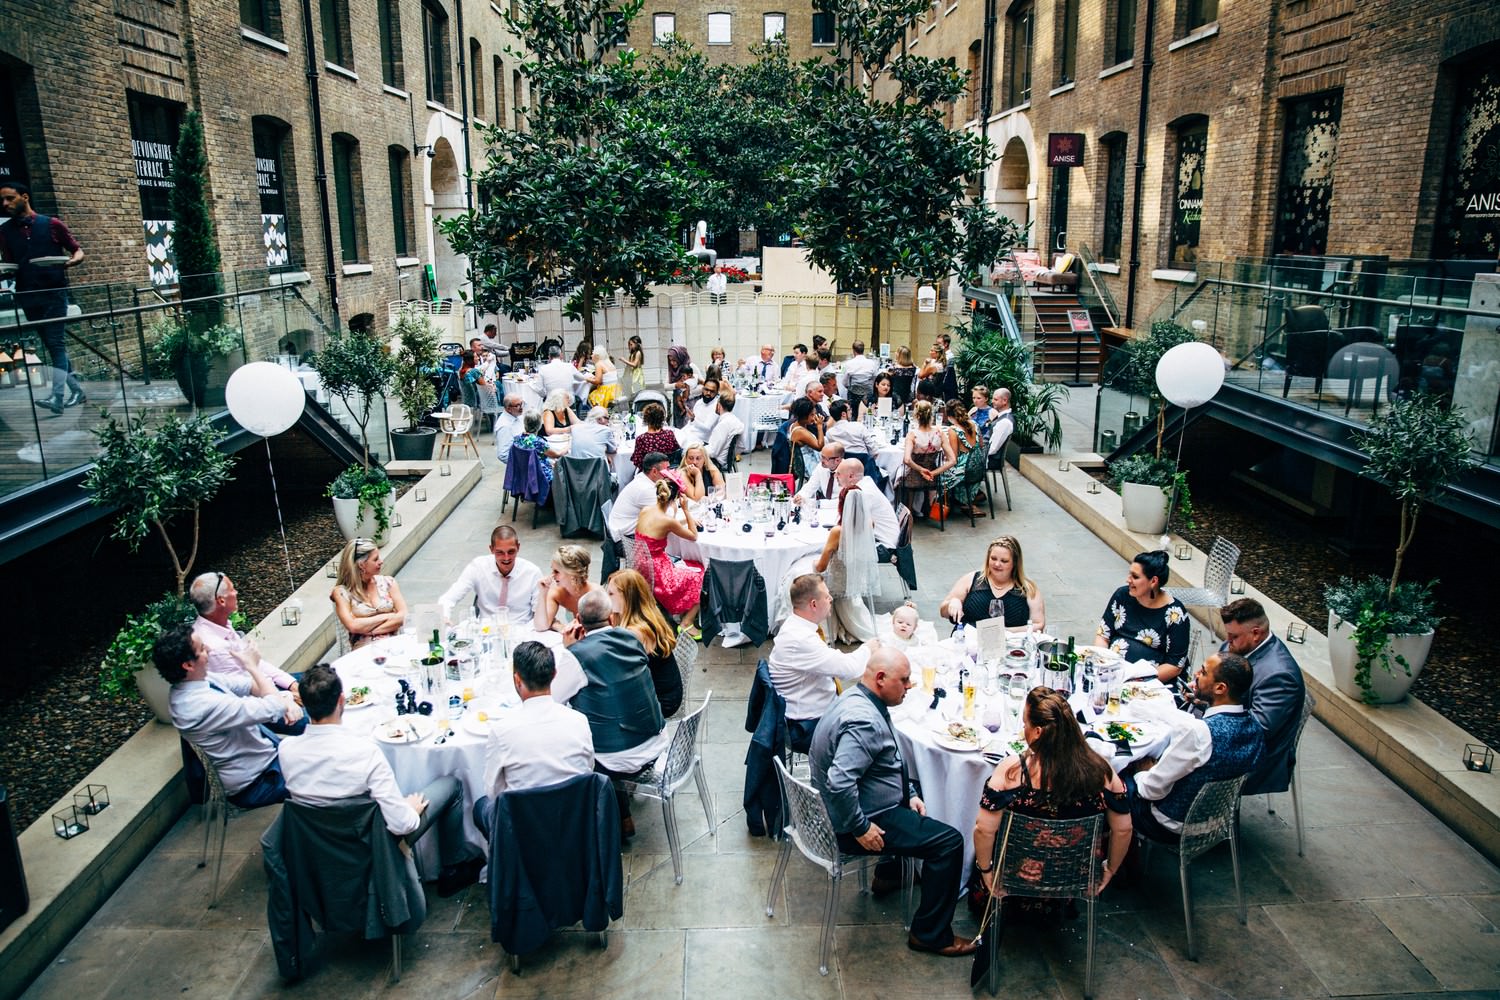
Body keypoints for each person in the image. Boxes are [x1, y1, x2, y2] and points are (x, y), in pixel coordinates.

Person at [810, 648, 975, 957]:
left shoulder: (856, 697)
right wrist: (861, 828)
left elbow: (885, 762)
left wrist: (909, 793)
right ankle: (931, 935)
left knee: (924, 796)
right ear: (881, 679)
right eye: (905, 680)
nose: (910, 686)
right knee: (950, 842)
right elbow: (840, 782)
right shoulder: (864, 721)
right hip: (855, 822)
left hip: (864, 804)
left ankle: (889, 874)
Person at [279, 664, 482, 896]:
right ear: (342, 700)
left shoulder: (286, 750)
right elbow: (402, 824)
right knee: (451, 785)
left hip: (316, 845)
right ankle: (454, 869)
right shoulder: (364, 752)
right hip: (369, 843)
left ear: (303, 703)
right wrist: (410, 809)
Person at [970, 688, 1132, 922]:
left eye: (1024, 722)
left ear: (1036, 732)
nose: (1022, 729)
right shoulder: (1102, 772)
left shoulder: (1012, 771)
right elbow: (1124, 829)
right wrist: (1111, 869)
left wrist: (986, 872)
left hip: (1012, 877)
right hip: (1072, 877)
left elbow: (984, 830)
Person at [155, 623, 301, 808]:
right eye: (201, 649)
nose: (208, 648)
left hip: (268, 760)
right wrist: (253, 666)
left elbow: (249, 686)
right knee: (330, 766)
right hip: (259, 782)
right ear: (188, 665)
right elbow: (272, 708)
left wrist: (283, 699)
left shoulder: (199, 681)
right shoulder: (200, 705)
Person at [1128, 652, 1265, 843]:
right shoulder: (1256, 729)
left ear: (1220, 688)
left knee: (1114, 779)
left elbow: (1151, 790)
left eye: (1203, 672)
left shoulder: (1200, 733)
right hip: (1217, 821)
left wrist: (1142, 771)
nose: (1196, 675)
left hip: (1170, 824)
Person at [565, 590, 668, 839]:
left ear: (578, 619)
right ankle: (623, 817)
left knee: (570, 741)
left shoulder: (576, 656)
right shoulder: (631, 638)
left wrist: (568, 650)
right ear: (611, 618)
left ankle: (586, 824)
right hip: (657, 739)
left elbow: (554, 699)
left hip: (616, 757)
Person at [0, 181, 85, 413]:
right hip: (28, 295)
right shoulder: (4, 232)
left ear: (25, 197)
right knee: (50, 344)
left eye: (10, 198)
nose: (5, 204)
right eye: (3, 200)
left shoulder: (52, 224)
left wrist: (73, 260)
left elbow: (77, 250)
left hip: (54, 293)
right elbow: (10, 264)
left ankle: (57, 398)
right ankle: (77, 391)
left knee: (56, 344)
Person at [768, 574, 874, 749]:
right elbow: (850, 669)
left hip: (809, 711)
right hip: (805, 726)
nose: (831, 598)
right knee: (868, 735)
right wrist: (869, 648)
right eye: (826, 596)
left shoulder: (797, 626)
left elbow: (830, 660)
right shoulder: (801, 639)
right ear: (814, 604)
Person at [480, 641, 595, 799]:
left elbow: (493, 793)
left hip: (522, 820)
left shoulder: (501, 731)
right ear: (554, 674)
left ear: (517, 680)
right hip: (573, 813)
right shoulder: (579, 721)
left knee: (480, 806)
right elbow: (588, 769)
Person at [1219, 598, 1307, 796]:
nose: (1227, 642)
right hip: (1229, 729)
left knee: (1183, 758)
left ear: (1256, 633)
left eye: (1233, 636)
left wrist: (1209, 725)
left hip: (1258, 758)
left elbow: (1257, 730)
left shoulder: (1280, 675)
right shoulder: (1238, 646)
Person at [189, 571, 298, 695]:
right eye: (232, 590)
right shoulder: (214, 647)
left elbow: (257, 664)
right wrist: (290, 696)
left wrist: (291, 684)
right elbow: (244, 692)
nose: (236, 592)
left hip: (267, 686)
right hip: (264, 700)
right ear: (221, 601)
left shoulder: (221, 625)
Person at [1097, 550, 1191, 684]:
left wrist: (1135, 679)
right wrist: (1102, 664)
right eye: (1129, 574)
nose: (1128, 580)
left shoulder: (1175, 614)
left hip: (1150, 683)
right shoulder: (1122, 595)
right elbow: (1103, 635)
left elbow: (1174, 666)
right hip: (1111, 673)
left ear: (1153, 581)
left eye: (1135, 577)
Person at [633, 475, 704, 639]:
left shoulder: (646, 510)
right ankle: (687, 622)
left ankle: (683, 612)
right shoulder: (667, 521)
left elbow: (664, 523)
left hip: (639, 563)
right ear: (675, 500)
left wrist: (683, 519)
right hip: (656, 570)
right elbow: (693, 536)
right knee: (700, 573)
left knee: (689, 564)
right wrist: (686, 510)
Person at [809, 488, 881, 643]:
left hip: (836, 584)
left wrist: (814, 563)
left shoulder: (838, 531)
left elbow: (821, 567)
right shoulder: (870, 523)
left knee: (797, 571)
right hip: (854, 578)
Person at [608, 569, 683, 717]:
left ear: (626, 597)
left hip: (660, 702)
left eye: (611, 594)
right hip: (663, 691)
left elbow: (617, 670)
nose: (606, 598)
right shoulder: (645, 617)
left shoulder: (636, 632)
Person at [438, 524, 542, 625]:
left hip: (521, 630)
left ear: (518, 547)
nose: (506, 558)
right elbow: (448, 598)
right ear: (491, 549)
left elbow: (540, 613)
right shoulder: (478, 567)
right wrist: (444, 617)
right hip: (487, 631)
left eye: (511, 552)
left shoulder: (532, 573)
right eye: (499, 552)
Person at [940, 535, 1047, 633]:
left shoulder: (1028, 589)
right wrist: (953, 602)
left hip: (1009, 646)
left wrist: (1004, 632)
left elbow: (1039, 625)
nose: (997, 564)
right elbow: (943, 612)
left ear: (1015, 563)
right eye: (993, 558)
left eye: (1004, 561)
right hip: (969, 641)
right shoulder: (971, 579)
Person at [331, 538, 408, 649]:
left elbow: (403, 616)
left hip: (394, 647)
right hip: (363, 652)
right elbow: (352, 626)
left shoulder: (388, 583)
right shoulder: (341, 593)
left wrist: (371, 631)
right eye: (375, 559)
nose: (381, 561)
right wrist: (389, 616)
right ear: (362, 565)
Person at [900, 400, 956, 516]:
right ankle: (925, 508)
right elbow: (952, 460)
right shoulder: (939, 433)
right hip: (932, 476)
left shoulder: (912, 434)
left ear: (916, 415)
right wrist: (934, 473)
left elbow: (907, 460)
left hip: (913, 475)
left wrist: (920, 470)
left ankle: (908, 512)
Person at [832, 457, 900, 549]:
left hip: (884, 546)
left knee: (833, 544)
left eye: (838, 474)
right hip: (882, 538)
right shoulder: (864, 484)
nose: (835, 476)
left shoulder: (862, 493)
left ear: (851, 476)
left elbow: (853, 526)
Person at [534, 543, 603, 632]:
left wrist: (557, 625)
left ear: (571, 573)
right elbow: (540, 626)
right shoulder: (556, 592)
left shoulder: (596, 594)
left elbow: (601, 631)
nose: (552, 575)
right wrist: (543, 594)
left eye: (556, 571)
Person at [938, 399, 985, 517]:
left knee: (937, 475)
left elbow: (953, 457)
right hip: (978, 468)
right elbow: (981, 445)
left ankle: (936, 505)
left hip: (963, 470)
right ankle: (962, 499)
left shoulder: (953, 430)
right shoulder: (975, 424)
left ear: (949, 416)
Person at [609, 451, 671, 540]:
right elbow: (665, 517)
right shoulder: (645, 489)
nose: (669, 473)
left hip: (622, 531)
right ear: (654, 471)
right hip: (626, 541)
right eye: (666, 469)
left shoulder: (642, 479)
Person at [511, 410, 564, 487]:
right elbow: (557, 455)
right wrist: (569, 445)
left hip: (523, 472)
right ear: (539, 425)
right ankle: (557, 496)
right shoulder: (538, 442)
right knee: (562, 468)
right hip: (539, 475)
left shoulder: (517, 439)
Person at [630, 401, 680, 472]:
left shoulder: (642, 439)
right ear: (662, 418)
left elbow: (638, 462)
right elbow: (677, 453)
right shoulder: (669, 434)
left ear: (646, 419)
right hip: (668, 472)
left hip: (650, 475)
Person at [788, 397, 825, 483]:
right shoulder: (800, 431)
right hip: (809, 465)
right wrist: (819, 426)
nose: (814, 417)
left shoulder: (795, 425)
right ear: (804, 416)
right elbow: (819, 446)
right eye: (812, 415)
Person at [705, 389, 743, 471]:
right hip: (726, 460)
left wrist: (698, 448)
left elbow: (713, 452)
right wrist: (730, 455)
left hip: (717, 462)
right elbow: (741, 446)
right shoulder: (737, 422)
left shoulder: (723, 425)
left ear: (718, 405)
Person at [686, 375, 721, 443]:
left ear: (717, 392)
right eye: (706, 389)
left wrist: (693, 420)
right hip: (691, 434)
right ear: (703, 389)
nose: (708, 393)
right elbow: (690, 423)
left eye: (712, 391)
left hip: (703, 440)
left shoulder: (717, 406)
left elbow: (707, 429)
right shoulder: (699, 402)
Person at [584, 345, 619, 410]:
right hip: (615, 390)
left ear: (597, 356)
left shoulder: (598, 364)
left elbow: (598, 381)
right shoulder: (609, 362)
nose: (591, 356)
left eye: (592, 354)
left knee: (590, 397)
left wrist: (587, 379)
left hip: (606, 391)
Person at [494, 393, 526, 460]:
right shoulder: (505, 427)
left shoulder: (517, 415)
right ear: (509, 409)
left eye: (522, 404)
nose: (521, 407)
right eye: (518, 405)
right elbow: (503, 455)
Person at [667, 345, 694, 424]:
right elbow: (666, 386)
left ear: (680, 358)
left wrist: (688, 391)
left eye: (674, 360)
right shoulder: (671, 370)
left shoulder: (690, 366)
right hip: (678, 404)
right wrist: (676, 385)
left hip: (690, 403)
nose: (672, 363)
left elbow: (702, 385)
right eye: (670, 361)